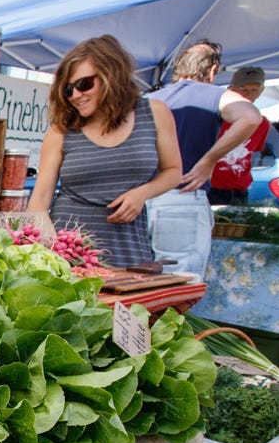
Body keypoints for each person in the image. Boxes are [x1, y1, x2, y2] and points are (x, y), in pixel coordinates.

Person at [28, 35, 182, 268]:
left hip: (128, 244)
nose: (76, 95)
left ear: (112, 75)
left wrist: (142, 193)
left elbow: (173, 171)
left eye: (84, 84)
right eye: (68, 90)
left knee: (131, 303)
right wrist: (51, 253)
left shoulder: (154, 113)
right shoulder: (62, 129)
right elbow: (39, 199)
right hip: (71, 249)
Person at [144, 40, 262, 277]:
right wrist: (209, 161)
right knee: (179, 283)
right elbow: (250, 117)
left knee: (138, 282)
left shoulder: (149, 98)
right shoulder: (215, 95)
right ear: (212, 70)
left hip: (141, 201)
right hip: (182, 197)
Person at [208, 66, 272, 205]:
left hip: (239, 189)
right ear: (231, 90)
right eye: (244, 90)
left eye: (254, 90)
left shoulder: (262, 123)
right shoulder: (215, 117)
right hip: (210, 187)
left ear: (261, 91)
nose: (249, 94)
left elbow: (252, 151)